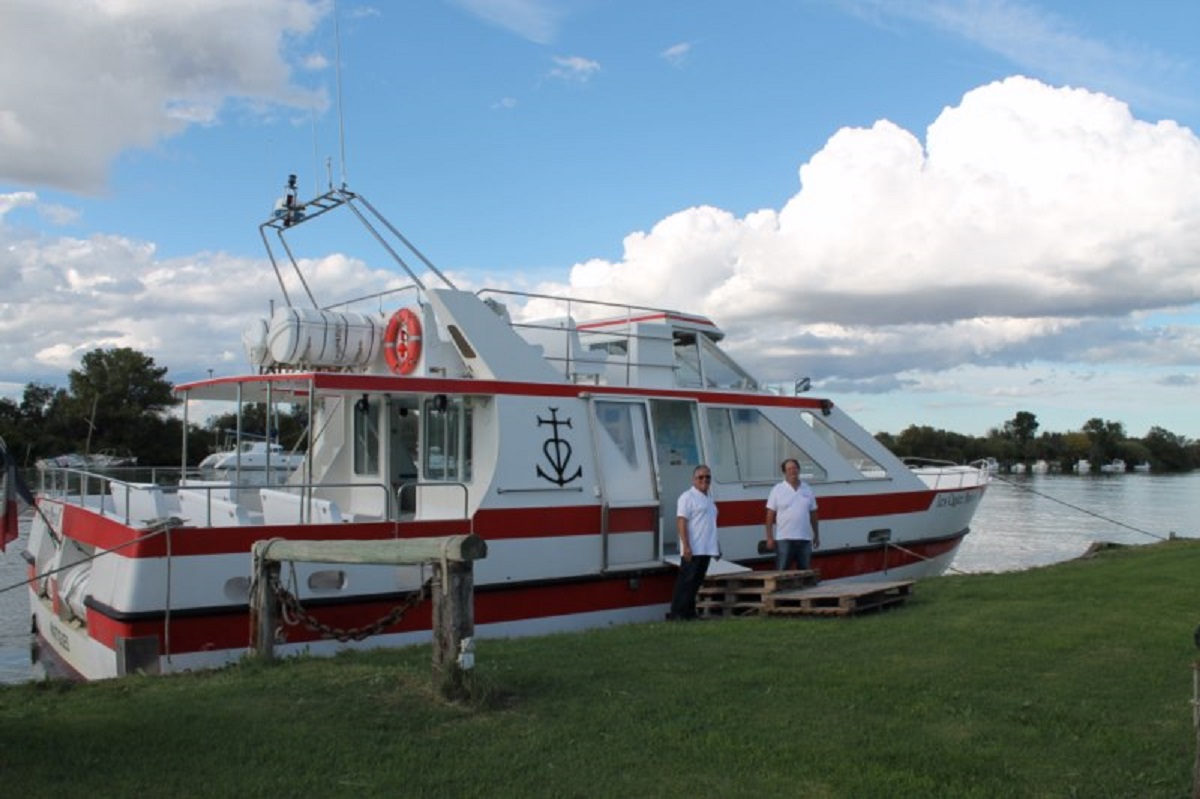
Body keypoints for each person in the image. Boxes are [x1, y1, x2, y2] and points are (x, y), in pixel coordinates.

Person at [668, 465, 720, 621]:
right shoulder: (687, 497)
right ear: (694, 480)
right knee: (686, 582)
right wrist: (686, 546)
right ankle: (678, 614)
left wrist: (716, 547)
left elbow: (710, 525)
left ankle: (690, 613)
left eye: (707, 477)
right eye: (700, 477)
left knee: (696, 583)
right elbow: (681, 521)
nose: (704, 480)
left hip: (706, 549)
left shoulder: (709, 499)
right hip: (693, 548)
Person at [764, 458, 819, 571]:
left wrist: (816, 535)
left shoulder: (807, 489)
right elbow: (770, 515)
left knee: (805, 572)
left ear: (798, 470)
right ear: (784, 472)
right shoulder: (777, 489)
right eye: (789, 469)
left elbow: (813, 514)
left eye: (794, 468)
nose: (792, 471)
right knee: (782, 571)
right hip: (784, 538)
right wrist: (769, 537)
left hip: (804, 539)